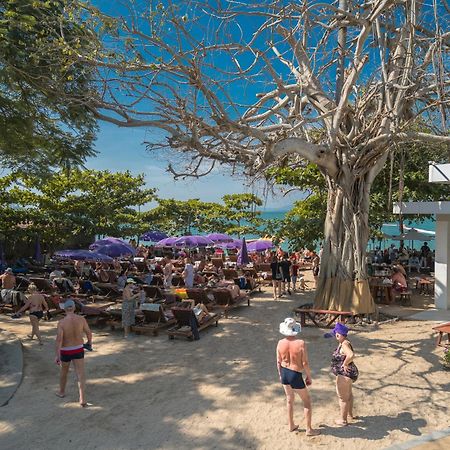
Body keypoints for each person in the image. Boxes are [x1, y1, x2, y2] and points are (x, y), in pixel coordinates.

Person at [276, 318, 320, 436]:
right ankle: (309, 429)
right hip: (295, 373)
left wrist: (280, 375)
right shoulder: (300, 343)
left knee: (289, 400)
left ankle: (291, 425)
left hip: (285, 372)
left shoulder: (280, 343)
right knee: (307, 401)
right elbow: (305, 363)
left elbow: (278, 361)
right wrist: (309, 376)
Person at [55, 299, 92, 407]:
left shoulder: (61, 323)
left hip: (66, 350)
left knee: (64, 372)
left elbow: (59, 340)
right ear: (74, 308)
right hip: (78, 349)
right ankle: (82, 398)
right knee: (80, 374)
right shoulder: (81, 319)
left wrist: (57, 356)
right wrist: (89, 342)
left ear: (65, 309)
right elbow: (89, 333)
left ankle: (61, 392)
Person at [326, 322, 358, 426]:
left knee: (343, 398)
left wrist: (344, 364)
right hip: (348, 375)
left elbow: (351, 355)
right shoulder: (346, 342)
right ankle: (350, 414)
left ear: (338, 334)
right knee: (349, 395)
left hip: (343, 375)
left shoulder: (344, 344)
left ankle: (343, 420)